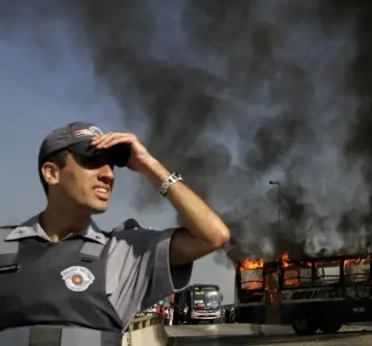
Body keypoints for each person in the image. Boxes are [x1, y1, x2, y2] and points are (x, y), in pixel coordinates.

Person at [0, 122, 230, 345]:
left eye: (111, 164)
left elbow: (213, 236)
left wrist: (150, 165)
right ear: (52, 173)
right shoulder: (4, 245)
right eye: (92, 161)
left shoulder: (124, 251)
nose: (108, 174)